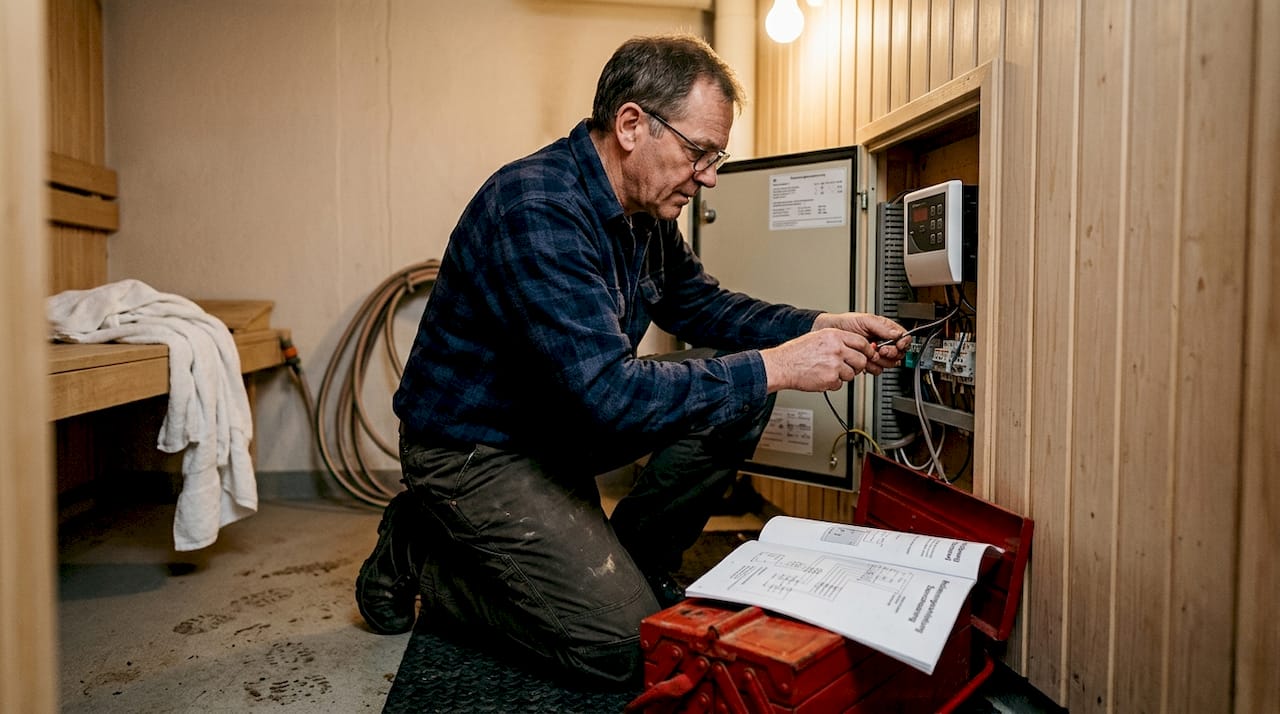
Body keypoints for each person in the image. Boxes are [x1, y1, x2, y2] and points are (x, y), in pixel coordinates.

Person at [355, 33, 909, 688]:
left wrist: (816, 326)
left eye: (717, 157)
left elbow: (703, 307)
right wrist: (779, 365)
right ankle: (420, 552)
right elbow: (608, 396)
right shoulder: (539, 208)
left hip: (556, 430)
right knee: (620, 651)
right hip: (477, 451)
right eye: (699, 152)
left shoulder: (642, 212)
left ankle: (635, 565)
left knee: (741, 390)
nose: (707, 176)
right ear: (630, 125)